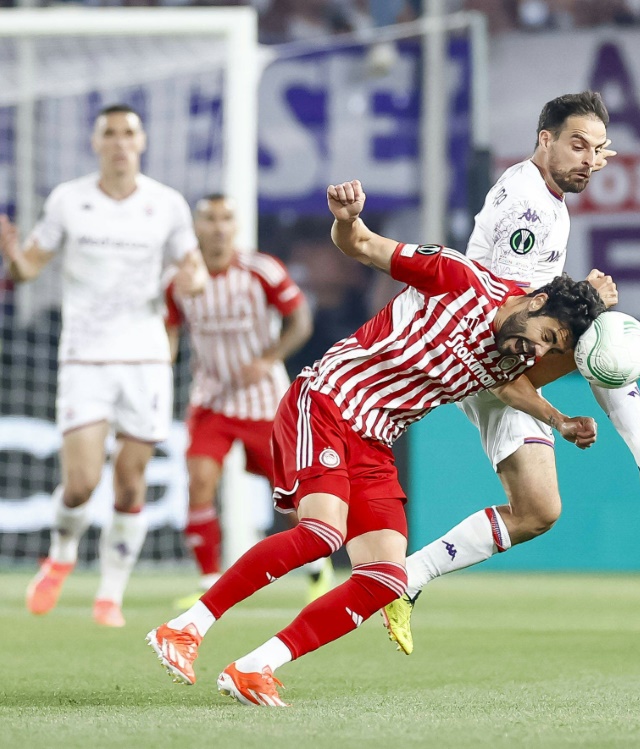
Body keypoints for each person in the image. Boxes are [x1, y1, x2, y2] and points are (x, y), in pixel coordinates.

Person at [146, 178, 606, 706]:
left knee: (387, 577)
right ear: (536, 299)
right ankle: (186, 627)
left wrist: (560, 419)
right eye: (544, 334)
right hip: (329, 399)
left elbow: (504, 381)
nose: (536, 348)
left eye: (549, 347)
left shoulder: (514, 353)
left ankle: (255, 666)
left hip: (376, 439)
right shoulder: (457, 276)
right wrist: (347, 218)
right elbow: (363, 245)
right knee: (322, 533)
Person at [381, 90, 640, 655]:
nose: (588, 159)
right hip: (486, 358)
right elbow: (511, 325)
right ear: (544, 139)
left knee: (540, 511)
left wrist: (582, 149)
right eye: (575, 145)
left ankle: (405, 578)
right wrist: (585, 300)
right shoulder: (532, 210)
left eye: (596, 149)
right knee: (600, 334)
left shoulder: (544, 188)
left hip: (493, 359)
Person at [0, 103, 208, 627]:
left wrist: (193, 284)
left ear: (141, 143)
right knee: (81, 483)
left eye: (128, 134)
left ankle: (109, 596)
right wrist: (11, 256)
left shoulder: (166, 205)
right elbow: (30, 267)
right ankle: (62, 553)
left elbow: (195, 272)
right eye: (109, 133)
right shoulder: (69, 201)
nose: (119, 142)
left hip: (145, 358)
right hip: (85, 357)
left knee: (132, 484)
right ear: (96, 144)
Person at [165, 194, 333, 608]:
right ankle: (208, 581)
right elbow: (169, 331)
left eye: (226, 218)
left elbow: (301, 320)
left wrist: (268, 358)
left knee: (289, 493)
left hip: (263, 400)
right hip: (212, 399)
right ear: (197, 227)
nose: (219, 226)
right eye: (209, 219)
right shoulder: (180, 281)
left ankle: (318, 568)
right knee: (200, 482)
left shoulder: (261, 270)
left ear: (234, 227)